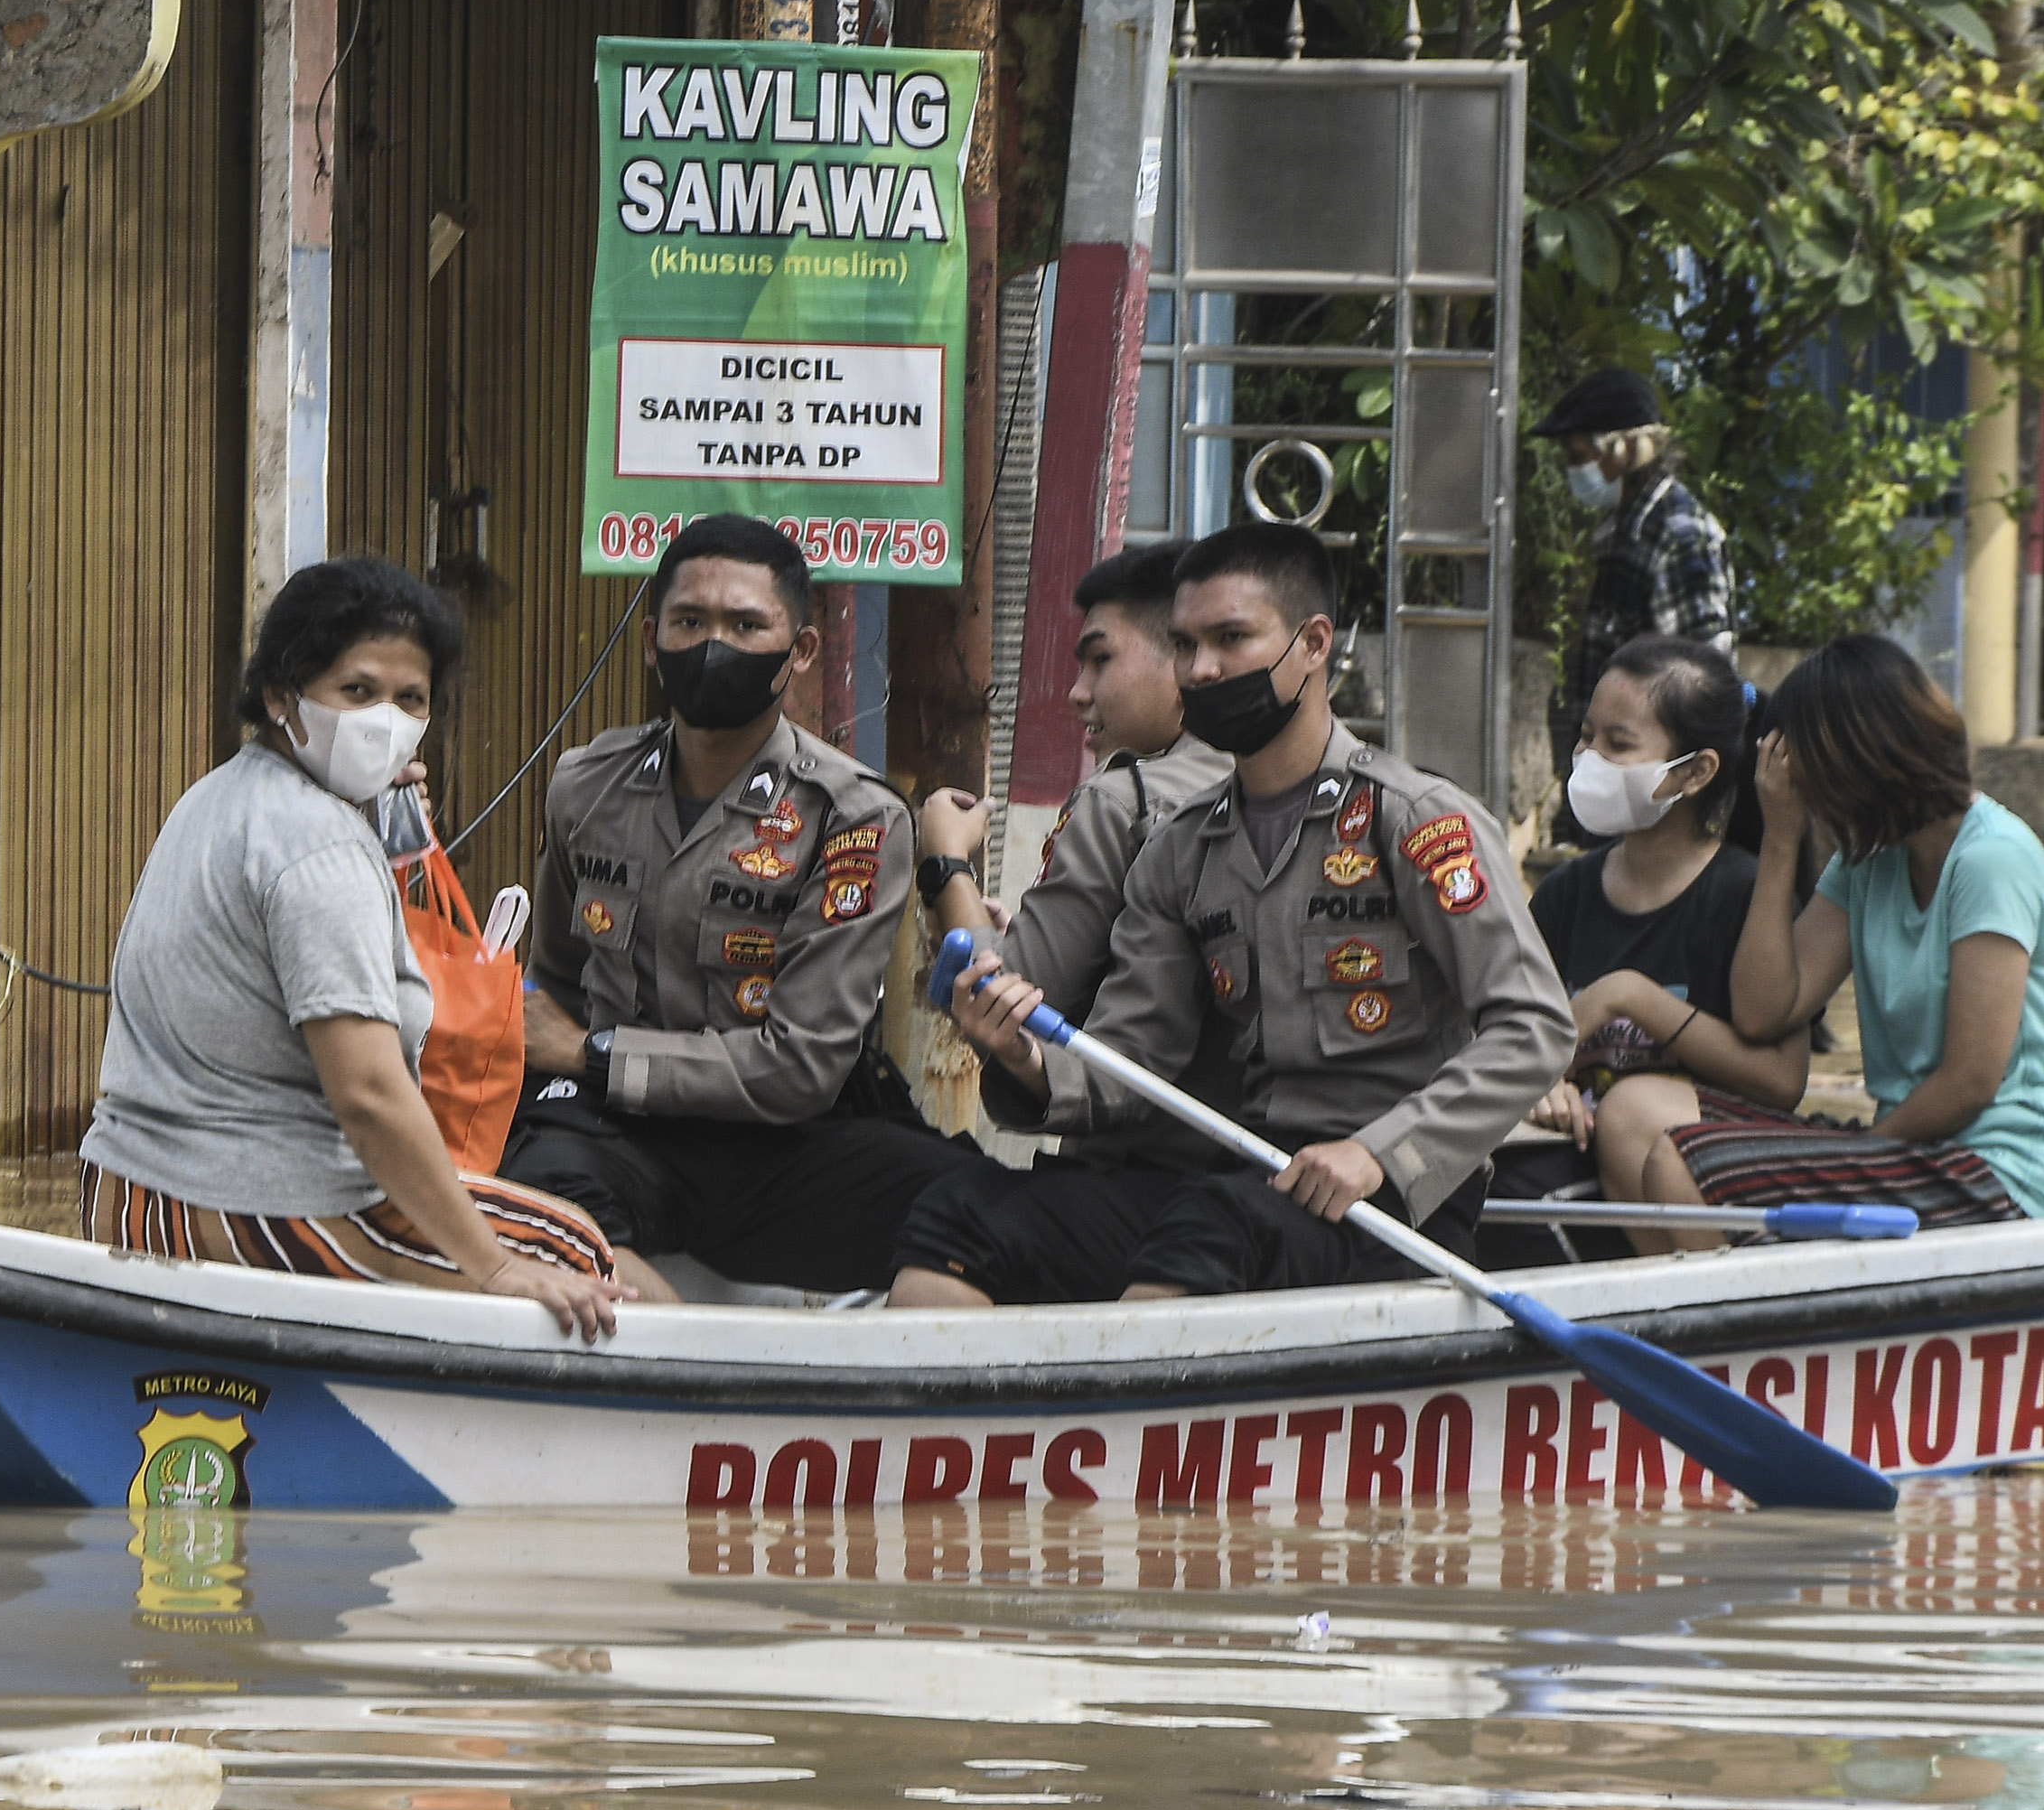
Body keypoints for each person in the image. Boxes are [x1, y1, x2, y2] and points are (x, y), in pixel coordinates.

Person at [925, 520, 1576, 1301]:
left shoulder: (1414, 820)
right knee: (962, 1214)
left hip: (1394, 1204)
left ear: (1312, 644)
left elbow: (1535, 1027)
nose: (1203, 669)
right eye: (1184, 644)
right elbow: (1131, 1058)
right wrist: (1025, 1059)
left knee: (1207, 1232)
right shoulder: (1183, 850)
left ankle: (1121, 1419)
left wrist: (1378, 1152)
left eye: (1232, 638)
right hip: (1249, 1180)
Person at [77, 555, 627, 1339]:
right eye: (357, 691)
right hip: (251, 1213)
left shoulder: (224, 795)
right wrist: (496, 1267)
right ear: (282, 696)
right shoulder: (317, 847)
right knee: (578, 1254)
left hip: (130, 1194)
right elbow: (368, 1097)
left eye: (410, 699)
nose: (385, 719)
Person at [500, 513, 990, 1297]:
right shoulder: (586, 786)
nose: (713, 646)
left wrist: (594, 1054)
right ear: (653, 636)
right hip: (611, 1134)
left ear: (799, 651)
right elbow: (556, 983)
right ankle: (664, 1401)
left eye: (745, 623)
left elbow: (799, 1068)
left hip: (783, 1144)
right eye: (690, 621)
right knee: (539, 1219)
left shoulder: (850, 814)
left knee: (986, 1216)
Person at [1621, 632, 2044, 1239]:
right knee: (1635, 1113)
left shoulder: (1990, 861)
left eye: (1805, 767)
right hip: (1915, 1151)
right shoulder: (1868, 861)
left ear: (1857, 761)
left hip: (2006, 1178)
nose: (1799, 785)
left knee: (1678, 1162)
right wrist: (1781, 838)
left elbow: (1969, 1082)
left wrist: (1862, 1150)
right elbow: (1764, 1012)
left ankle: (1754, 1332)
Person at [889, 543, 1241, 1306]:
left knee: (950, 1216)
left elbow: (1003, 996)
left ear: (1183, 659)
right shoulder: (1315, 791)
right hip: (1284, 1180)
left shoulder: (1127, 801)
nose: (1077, 693)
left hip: (1155, 1175)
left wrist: (945, 867)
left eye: (1099, 660)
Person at [1493, 636, 1812, 1254]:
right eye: (1587, 736)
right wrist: (1543, 1086)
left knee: (1630, 1110)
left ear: (1696, 771)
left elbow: (1780, 1081)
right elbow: (1516, 1035)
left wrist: (1632, 997)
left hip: (1713, 1183)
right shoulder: (1564, 895)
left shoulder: (1744, 896)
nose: (1589, 758)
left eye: (1619, 743)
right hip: (1581, 1163)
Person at [1531, 367, 1735, 799]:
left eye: (1577, 453)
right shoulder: (1620, 531)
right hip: (1614, 773)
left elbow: (1700, 680)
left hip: (1653, 786)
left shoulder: (1680, 534)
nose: (1573, 469)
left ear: (1621, 450)